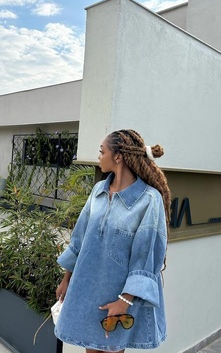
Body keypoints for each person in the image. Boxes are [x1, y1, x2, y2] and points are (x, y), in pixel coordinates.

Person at [55, 129, 171, 353]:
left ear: (118, 156)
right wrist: (66, 278)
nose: (99, 157)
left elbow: (146, 256)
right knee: (90, 348)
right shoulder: (98, 190)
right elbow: (80, 238)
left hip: (119, 296)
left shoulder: (149, 200)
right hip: (88, 291)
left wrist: (125, 301)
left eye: (102, 152)